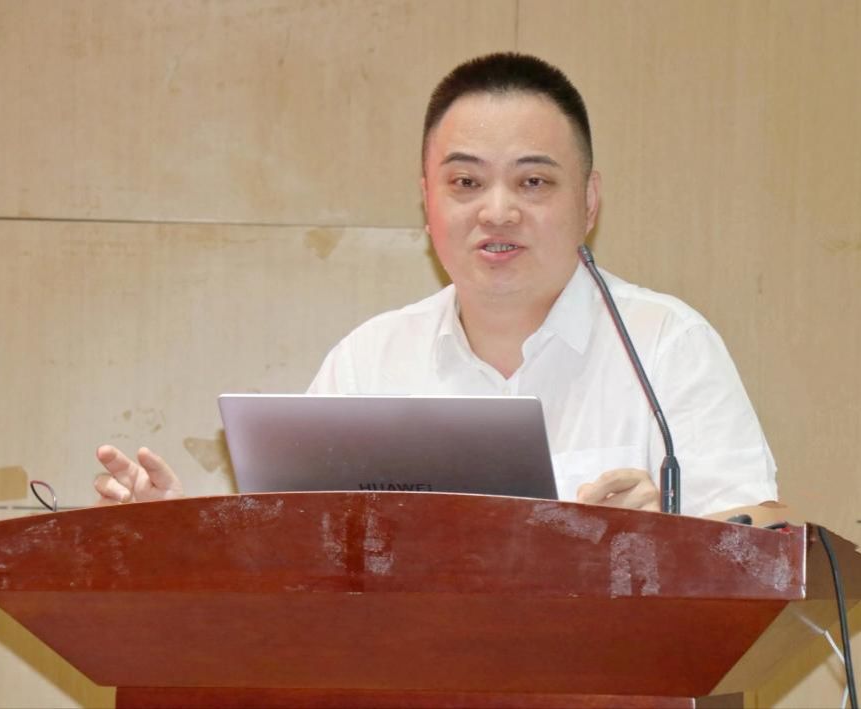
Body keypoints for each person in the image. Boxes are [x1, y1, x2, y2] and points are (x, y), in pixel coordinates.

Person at [95, 53, 778, 518]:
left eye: (534, 181)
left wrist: (670, 532)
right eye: (466, 182)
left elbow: (766, 533)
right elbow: (289, 554)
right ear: (427, 202)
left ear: (589, 201)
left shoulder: (666, 346)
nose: (498, 211)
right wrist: (178, 532)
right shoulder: (370, 362)